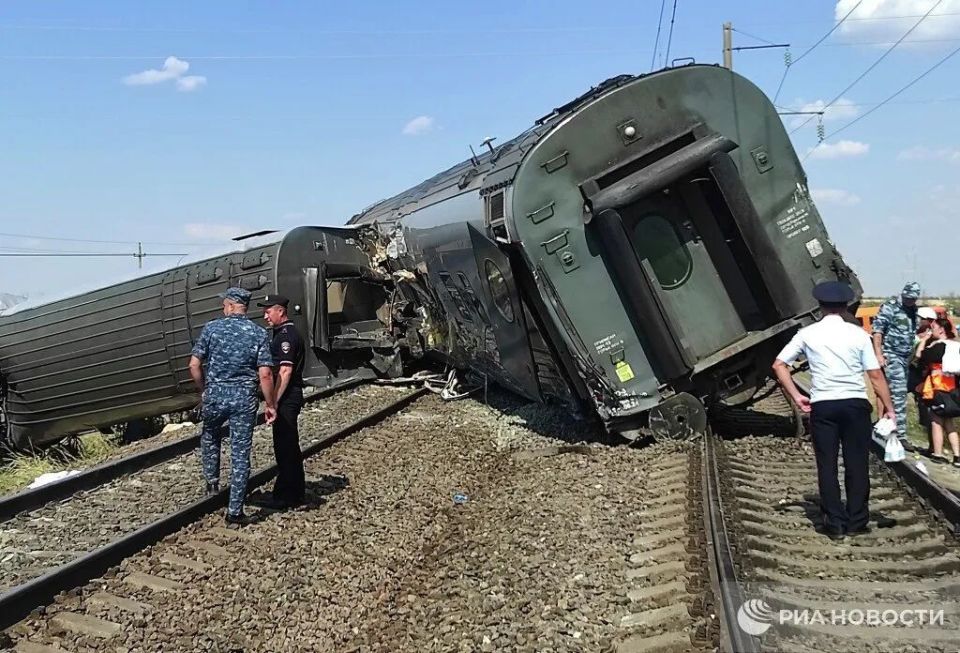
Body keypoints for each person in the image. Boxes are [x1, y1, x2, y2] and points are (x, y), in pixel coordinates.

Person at [773, 281, 895, 541]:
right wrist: (889, 407)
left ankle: (835, 523)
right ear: (844, 306)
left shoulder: (808, 334)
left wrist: (797, 396)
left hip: (824, 405)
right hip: (855, 405)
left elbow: (779, 365)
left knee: (827, 464)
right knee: (857, 462)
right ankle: (857, 520)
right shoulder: (859, 335)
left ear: (820, 306)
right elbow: (874, 374)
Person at [189, 287, 277, 525]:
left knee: (210, 437)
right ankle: (235, 511)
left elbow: (194, 365)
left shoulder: (211, 329)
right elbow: (266, 374)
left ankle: (212, 482)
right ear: (243, 307)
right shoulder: (258, 334)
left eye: (223, 305)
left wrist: (204, 390)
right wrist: (270, 404)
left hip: (215, 395)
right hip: (243, 399)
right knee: (240, 453)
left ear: (229, 306)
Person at [256, 294, 307, 509]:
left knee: (286, 446)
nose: (265, 316)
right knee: (287, 445)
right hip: (287, 396)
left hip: (286, 397)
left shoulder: (286, 337)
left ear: (280, 311)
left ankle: (287, 496)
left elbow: (285, 371)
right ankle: (293, 491)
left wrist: (273, 402)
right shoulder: (281, 334)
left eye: (268, 311)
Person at [872, 281, 922, 451]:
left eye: (913, 299)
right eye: (908, 298)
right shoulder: (890, 307)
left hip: (904, 357)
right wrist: (879, 354)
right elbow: (877, 331)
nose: (910, 301)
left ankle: (884, 428)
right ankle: (899, 435)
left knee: (895, 394)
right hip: (891, 355)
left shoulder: (914, 310)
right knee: (899, 394)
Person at [915, 318, 960, 467]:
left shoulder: (938, 346)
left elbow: (919, 355)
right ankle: (957, 456)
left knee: (936, 421)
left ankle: (938, 453)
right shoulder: (955, 345)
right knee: (949, 423)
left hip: (938, 387)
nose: (931, 330)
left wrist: (925, 340)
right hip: (953, 388)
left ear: (941, 330)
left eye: (933, 328)